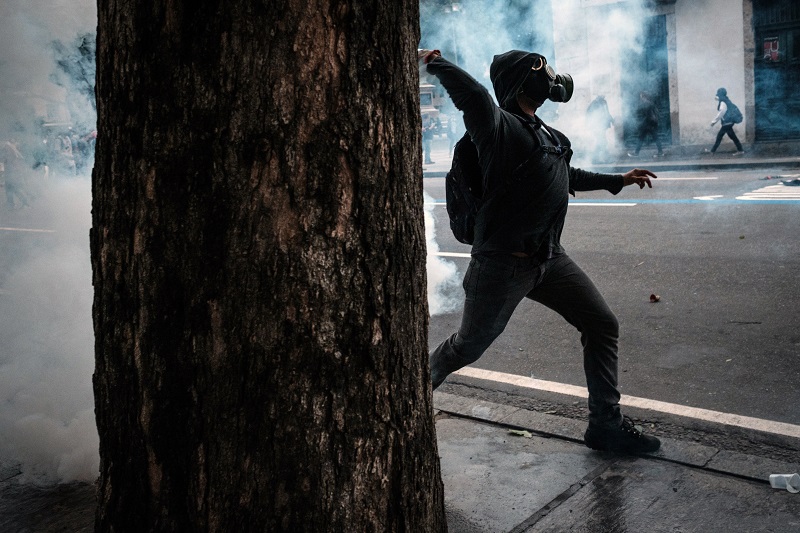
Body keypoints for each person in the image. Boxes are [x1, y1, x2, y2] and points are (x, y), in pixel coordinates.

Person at [419, 48, 661, 454]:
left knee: (602, 324)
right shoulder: (499, 130)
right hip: (502, 265)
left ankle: (606, 424)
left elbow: (568, 177)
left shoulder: (550, 136)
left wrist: (618, 180)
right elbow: (475, 97)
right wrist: (436, 63)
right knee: (468, 346)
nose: (549, 76)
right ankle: (409, 394)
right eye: (539, 69)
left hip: (549, 259)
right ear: (519, 82)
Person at [706, 87, 744, 156]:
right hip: (729, 122)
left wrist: (713, 122)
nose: (717, 95)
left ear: (720, 94)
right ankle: (740, 150)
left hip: (727, 122)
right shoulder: (726, 99)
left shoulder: (723, 102)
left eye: (718, 94)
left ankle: (712, 151)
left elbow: (721, 112)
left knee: (719, 136)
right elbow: (720, 102)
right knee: (733, 136)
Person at [628, 91, 663, 158]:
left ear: (644, 97)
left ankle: (636, 153)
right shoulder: (650, 103)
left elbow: (648, 116)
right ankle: (660, 152)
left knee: (643, 138)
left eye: (641, 96)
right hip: (649, 124)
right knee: (647, 138)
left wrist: (642, 123)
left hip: (648, 124)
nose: (641, 98)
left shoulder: (646, 104)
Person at [1, 138, 30, 209]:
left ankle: (25, 203)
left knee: (15, 188)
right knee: (8, 188)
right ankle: (10, 204)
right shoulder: (8, 147)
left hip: (12, 171)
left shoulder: (7, 147)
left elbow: (10, 159)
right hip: (10, 171)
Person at [586, 95, 614, 163]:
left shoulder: (604, 102)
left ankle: (597, 159)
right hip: (597, 126)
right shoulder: (595, 103)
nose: (604, 99)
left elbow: (607, 112)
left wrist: (611, 119)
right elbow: (590, 115)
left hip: (602, 125)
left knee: (602, 142)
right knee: (602, 142)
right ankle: (597, 158)